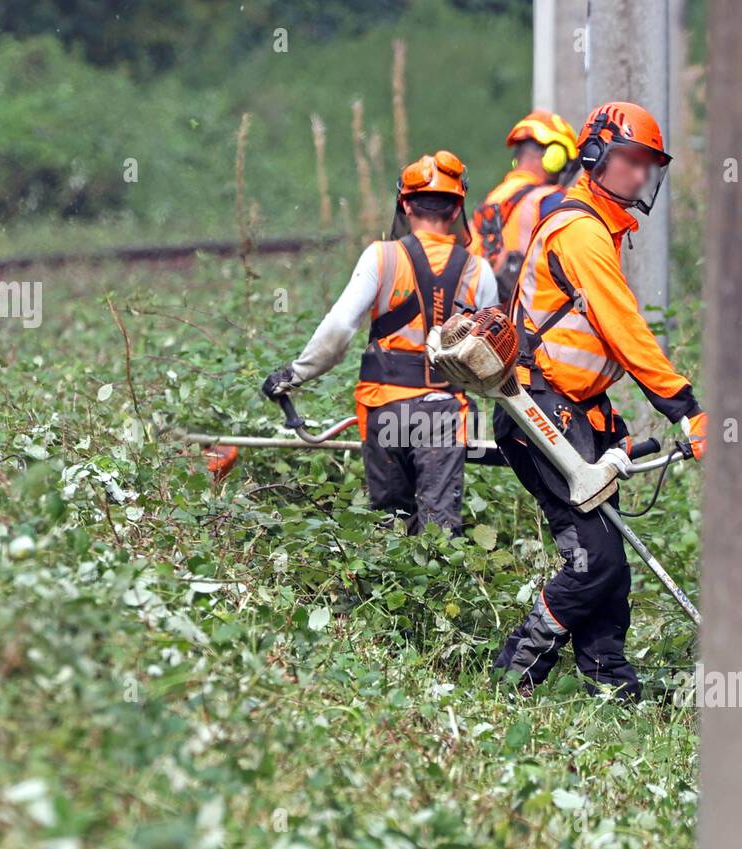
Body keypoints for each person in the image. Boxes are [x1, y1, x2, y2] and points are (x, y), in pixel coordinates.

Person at [492, 102, 708, 701]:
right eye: (630, 161)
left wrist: (606, 425)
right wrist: (686, 408)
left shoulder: (600, 228)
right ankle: (514, 674)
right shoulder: (582, 230)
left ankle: (610, 686)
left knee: (607, 557)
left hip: (571, 411)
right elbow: (624, 329)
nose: (640, 176)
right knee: (596, 561)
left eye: (648, 166)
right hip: (539, 411)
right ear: (594, 157)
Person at [262, 151, 499, 535]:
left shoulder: (382, 256)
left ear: (405, 204)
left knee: (390, 524)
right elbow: (491, 356)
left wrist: (295, 375)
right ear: (457, 210)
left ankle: (390, 586)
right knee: (439, 533)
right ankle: (438, 589)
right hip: (445, 415)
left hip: (385, 409)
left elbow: (340, 327)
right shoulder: (479, 271)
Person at [469, 110, 579, 301]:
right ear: (555, 157)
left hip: (488, 320)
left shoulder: (493, 199)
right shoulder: (548, 200)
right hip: (528, 319)